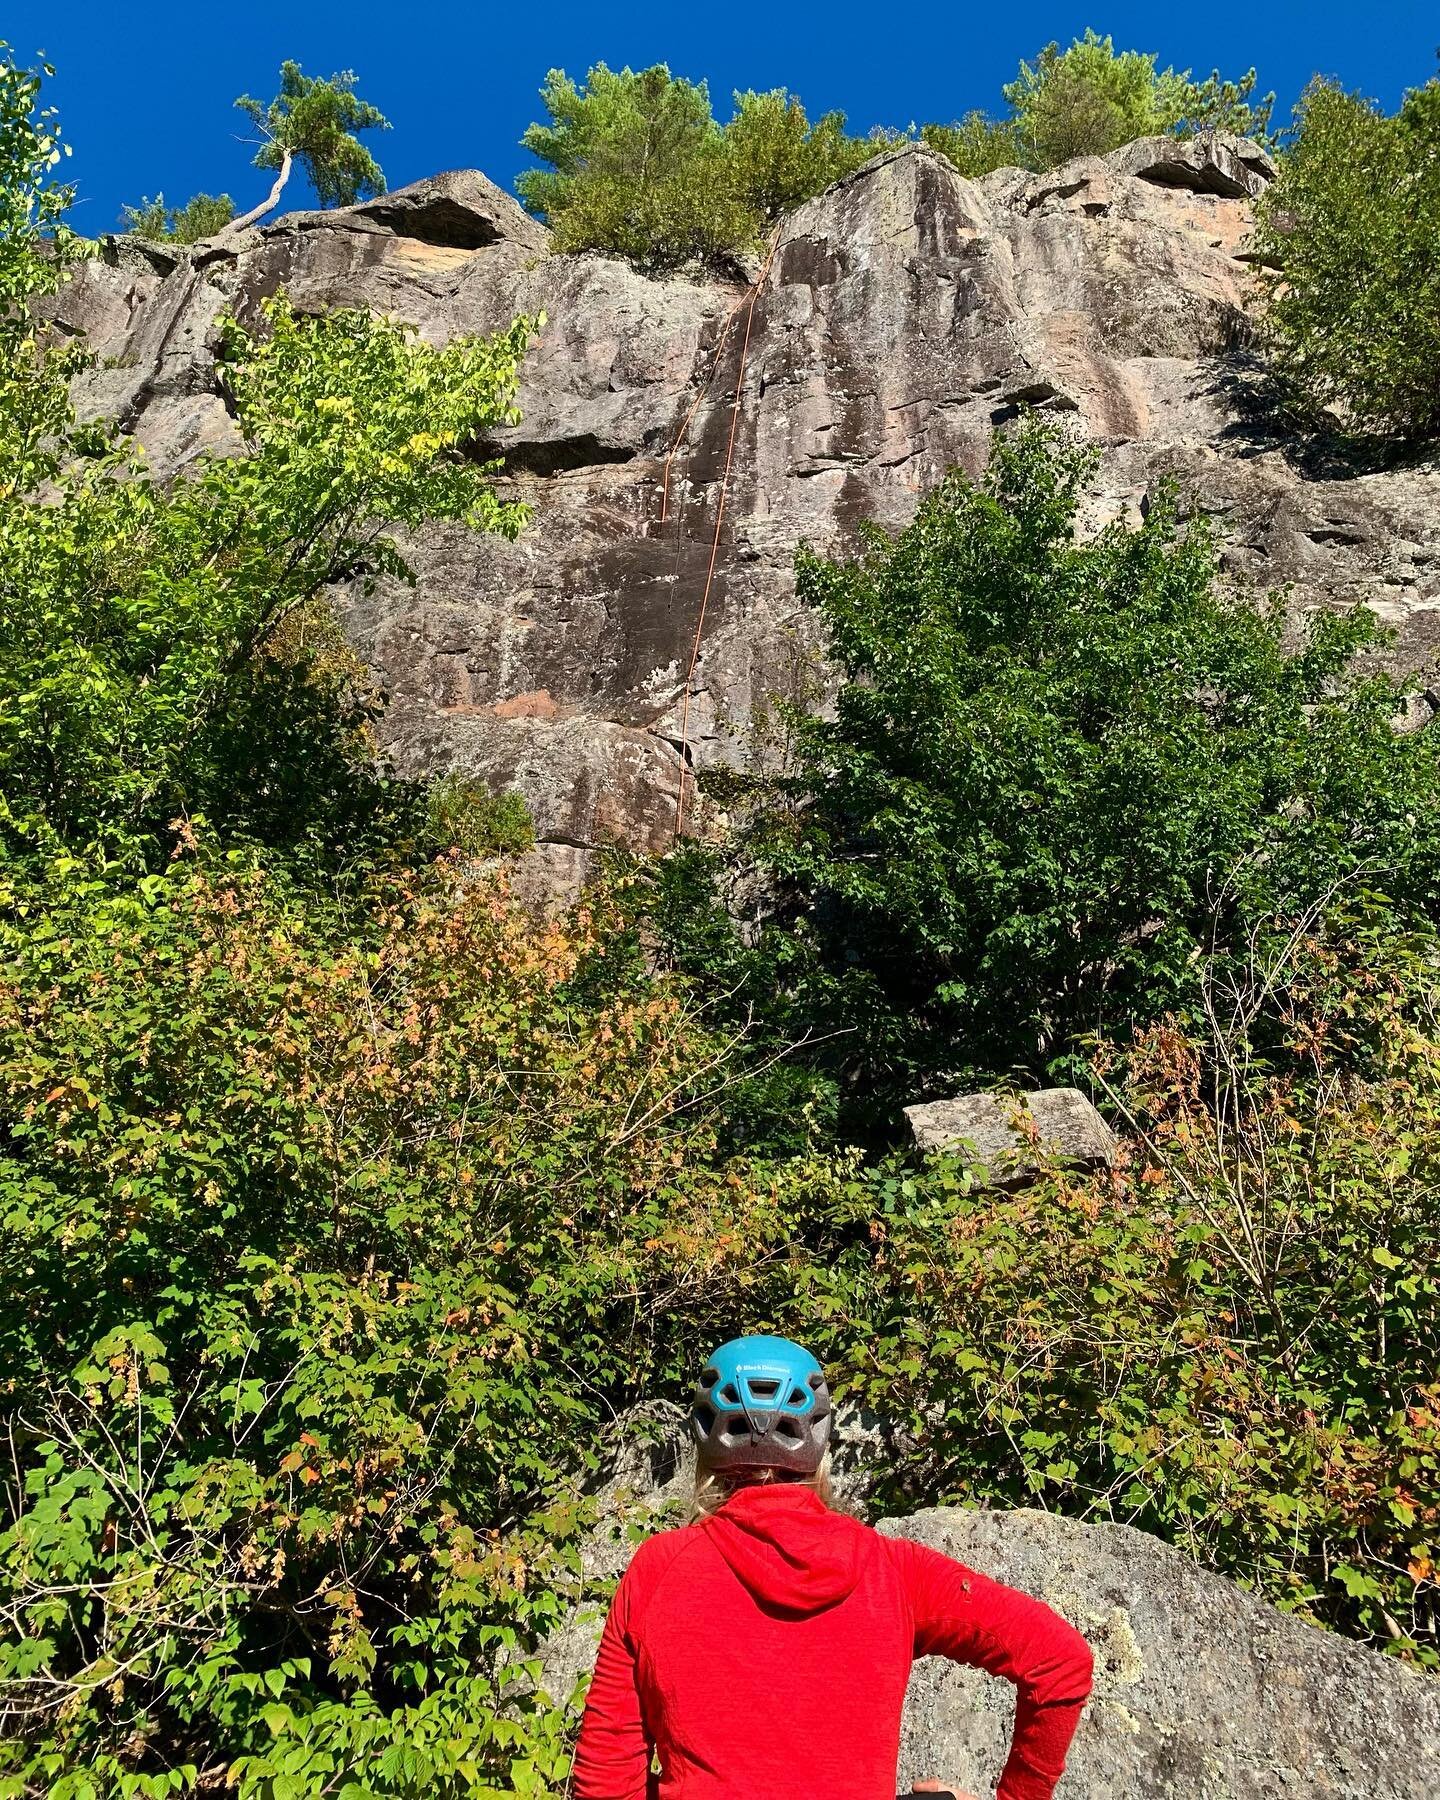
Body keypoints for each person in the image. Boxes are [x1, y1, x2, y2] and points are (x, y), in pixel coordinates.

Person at [573, 1334, 1094, 1800]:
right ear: (820, 1446)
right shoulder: (891, 1570)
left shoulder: (659, 1572)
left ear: (704, 1450)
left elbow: (605, 1781)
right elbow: (1059, 1661)